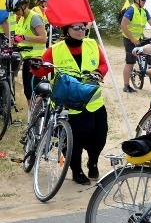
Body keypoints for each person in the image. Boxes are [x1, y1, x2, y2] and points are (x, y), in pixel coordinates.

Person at [30, 22, 109, 184]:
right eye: (76, 28)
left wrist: (99, 72)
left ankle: (93, 161)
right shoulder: (55, 49)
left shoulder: (92, 44)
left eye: (83, 27)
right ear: (67, 30)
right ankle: (76, 170)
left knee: (99, 137)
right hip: (69, 105)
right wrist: (35, 66)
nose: (81, 31)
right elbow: (41, 70)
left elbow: (103, 64)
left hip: (93, 102)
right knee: (74, 142)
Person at [120, 0, 151, 93]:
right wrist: (132, 39)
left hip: (140, 37)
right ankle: (126, 86)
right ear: (136, 0)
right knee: (130, 62)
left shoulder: (144, 11)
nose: (145, 1)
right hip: (129, 39)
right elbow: (123, 25)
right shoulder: (131, 10)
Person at [6, 0, 47, 101]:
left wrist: (24, 37)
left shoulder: (34, 18)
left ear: (24, 5)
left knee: (35, 93)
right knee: (28, 93)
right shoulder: (22, 19)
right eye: (13, 11)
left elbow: (43, 39)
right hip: (27, 59)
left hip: (37, 59)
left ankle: (38, 117)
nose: (15, 13)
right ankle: (32, 118)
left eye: (16, 10)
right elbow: (23, 37)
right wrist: (15, 41)